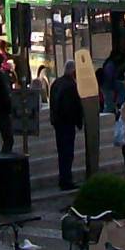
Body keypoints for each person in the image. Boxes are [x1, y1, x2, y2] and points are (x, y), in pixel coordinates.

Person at [48, 60, 84, 190]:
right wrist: (78, 121)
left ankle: (64, 178)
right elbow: (71, 107)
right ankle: (66, 180)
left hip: (58, 123)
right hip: (66, 124)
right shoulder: (70, 86)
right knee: (67, 153)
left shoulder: (57, 83)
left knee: (62, 152)